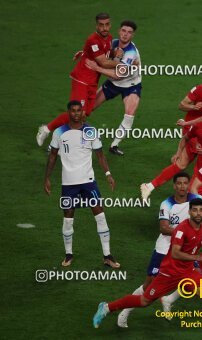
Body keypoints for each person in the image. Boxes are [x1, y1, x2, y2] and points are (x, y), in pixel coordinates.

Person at [92, 198, 202, 340]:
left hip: (188, 272)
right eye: (195, 210)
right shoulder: (181, 229)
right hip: (169, 272)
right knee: (144, 300)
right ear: (189, 212)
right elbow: (175, 253)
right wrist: (198, 258)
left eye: (201, 210)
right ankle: (106, 308)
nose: (198, 213)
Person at [116, 172, 202, 328]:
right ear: (174, 186)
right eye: (179, 183)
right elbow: (163, 228)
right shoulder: (166, 204)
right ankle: (125, 312)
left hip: (185, 253)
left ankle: (169, 299)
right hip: (164, 250)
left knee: (193, 284)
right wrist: (185, 232)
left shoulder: (197, 201)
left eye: (185, 183)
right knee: (148, 286)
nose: (182, 186)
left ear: (188, 185)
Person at [44, 100, 119, 268]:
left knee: (100, 215)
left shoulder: (91, 131)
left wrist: (108, 174)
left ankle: (107, 255)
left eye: (79, 110)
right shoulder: (59, 133)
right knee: (68, 218)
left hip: (88, 182)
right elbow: (52, 156)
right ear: (68, 112)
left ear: (82, 112)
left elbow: (100, 155)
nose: (76, 113)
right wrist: (47, 178)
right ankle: (68, 255)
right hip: (69, 184)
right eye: (73, 110)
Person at [36, 13, 121, 146]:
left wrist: (114, 53)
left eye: (107, 24)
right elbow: (104, 62)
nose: (104, 28)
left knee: (84, 114)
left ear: (110, 25)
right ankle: (47, 131)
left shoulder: (109, 38)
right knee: (76, 112)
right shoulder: (93, 39)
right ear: (96, 26)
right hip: (81, 80)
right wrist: (122, 64)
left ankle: (59, 139)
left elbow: (104, 53)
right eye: (101, 25)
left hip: (92, 82)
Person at [140, 98, 202, 199]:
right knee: (181, 167)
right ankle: (149, 186)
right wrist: (178, 153)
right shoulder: (199, 127)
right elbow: (186, 138)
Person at [84, 20, 142, 156]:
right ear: (119, 31)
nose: (125, 34)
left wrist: (97, 68)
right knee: (87, 108)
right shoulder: (112, 43)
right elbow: (98, 54)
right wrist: (83, 53)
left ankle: (114, 145)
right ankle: (70, 135)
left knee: (129, 114)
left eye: (129, 32)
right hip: (112, 84)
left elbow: (118, 75)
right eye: (123, 31)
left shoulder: (131, 53)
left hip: (131, 85)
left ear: (133, 35)